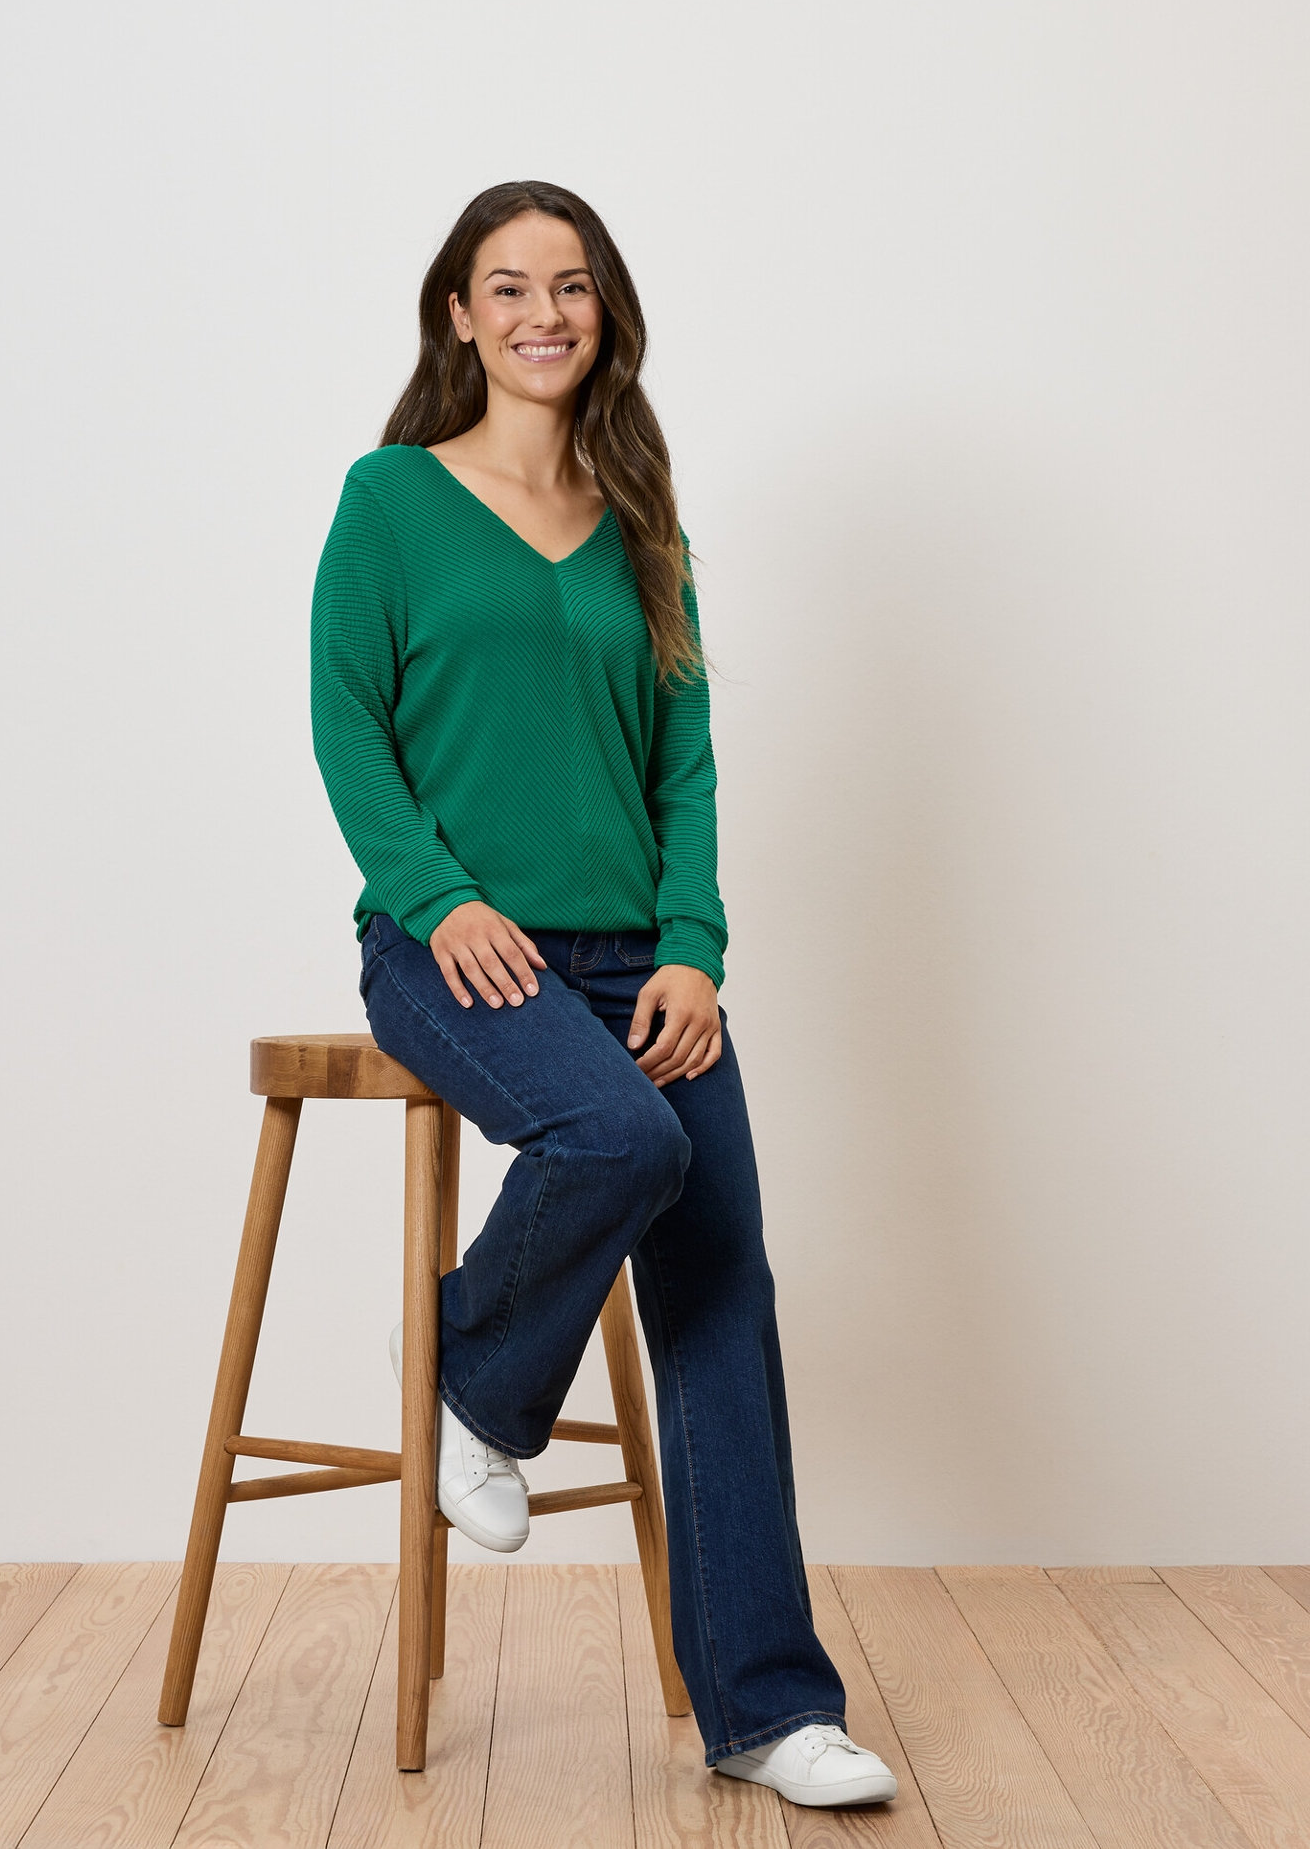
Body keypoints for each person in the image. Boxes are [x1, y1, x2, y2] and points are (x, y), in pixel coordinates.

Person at [308, 181, 899, 1809]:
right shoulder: (389, 500)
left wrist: (696, 943)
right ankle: (472, 1370)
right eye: (506, 288)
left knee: (721, 1295)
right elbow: (348, 729)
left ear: (603, 310)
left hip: (642, 957)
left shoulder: (644, 524)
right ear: (457, 315)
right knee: (629, 1145)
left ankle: (772, 1709)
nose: (539, 313)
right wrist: (439, 901)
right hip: (450, 947)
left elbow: (683, 760)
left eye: (568, 286)